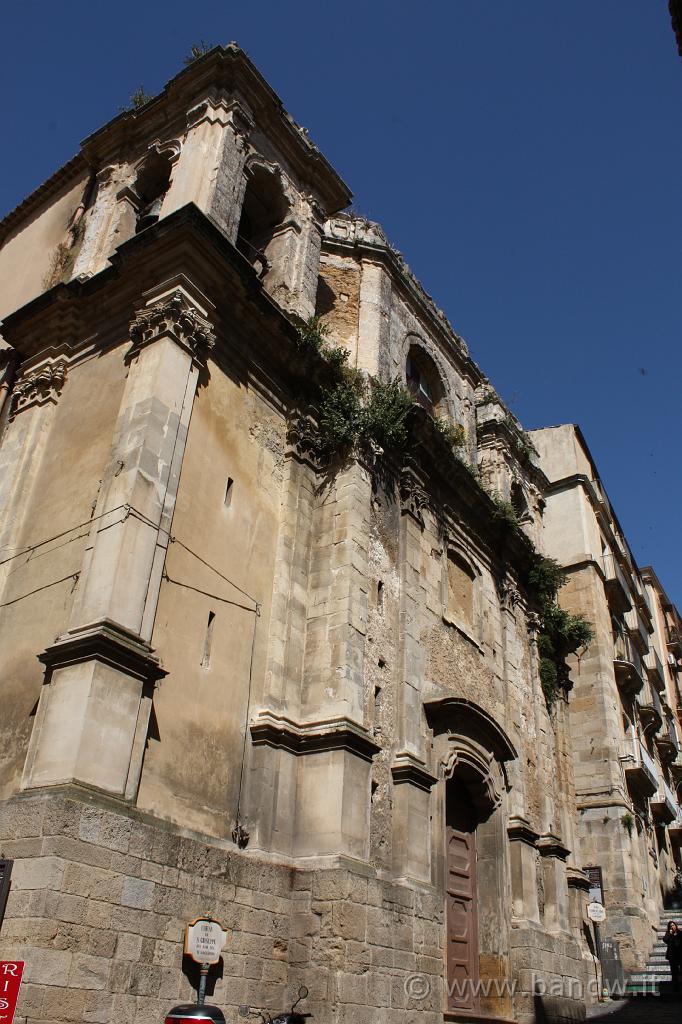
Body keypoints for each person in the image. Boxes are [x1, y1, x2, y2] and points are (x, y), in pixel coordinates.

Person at [663, 920, 682, 991]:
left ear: (676, 926)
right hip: (672, 956)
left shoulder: (680, 933)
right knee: (674, 972)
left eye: (673, 925)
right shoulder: (668, 934)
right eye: (670, 926)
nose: (672, 927)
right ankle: (676, 987)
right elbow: (665, 940)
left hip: (680, 955)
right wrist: (670, 934)